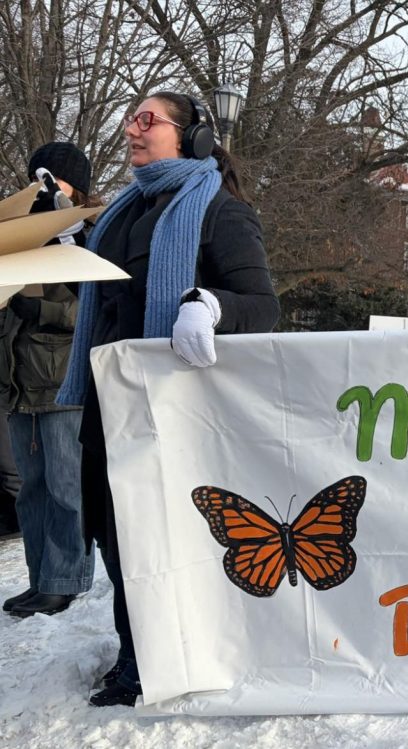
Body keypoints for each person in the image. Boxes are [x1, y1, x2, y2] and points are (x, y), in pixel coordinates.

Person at [55, 92, 279, 707]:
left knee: (156, 537)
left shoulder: (219, 212)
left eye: (147, 119)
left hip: (172, 414)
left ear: (193, 137)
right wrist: (68, 244)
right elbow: (103, 301)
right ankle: (136, 650)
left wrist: (210, 304)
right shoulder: (123, 211)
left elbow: (263, 305)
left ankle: (157, 660)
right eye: (129, 116)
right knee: (111, 531)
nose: (131, 127)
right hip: (110, 405)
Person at [0, 143, 95, 617]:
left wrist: (39, 308)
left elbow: (96, 304)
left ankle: (66, 578)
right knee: (32, 489)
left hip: (61, 380)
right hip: (18, 379)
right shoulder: (20, 231)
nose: (43, 188)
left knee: (65, 486)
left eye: (53, 179)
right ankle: (42, 578)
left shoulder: (86, 232)